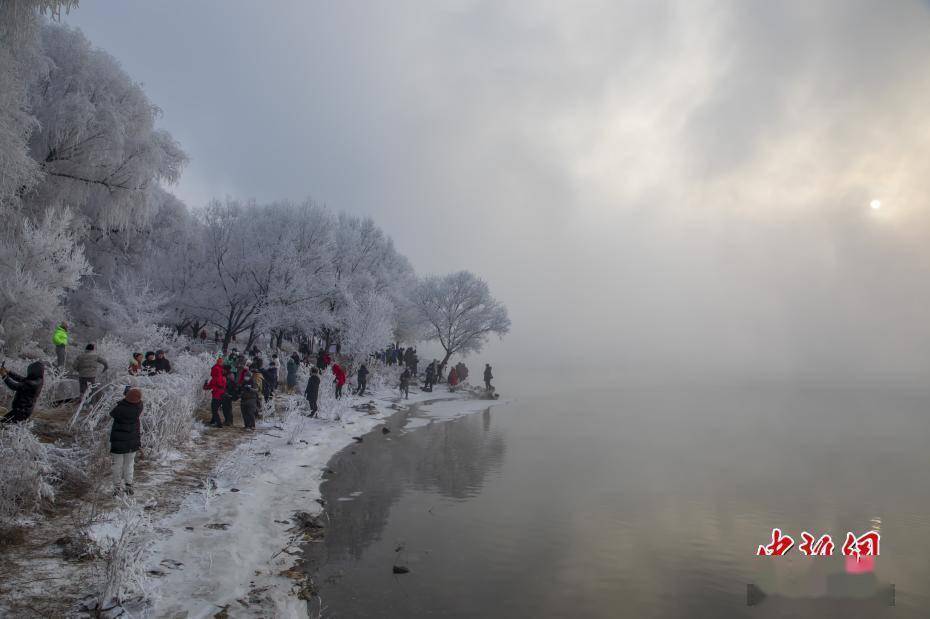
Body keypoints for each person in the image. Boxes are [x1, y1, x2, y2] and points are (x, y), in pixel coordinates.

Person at [110, 387, 143, 496]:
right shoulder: (139, 407)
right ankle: (129, 485)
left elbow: (112, 413)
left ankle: (117, 488)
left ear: (127, 397)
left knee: (117, 465)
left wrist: (124, 399)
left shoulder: (120, 409)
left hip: (118, 442)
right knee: (129, 464)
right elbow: (136, 399)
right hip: (132, 442)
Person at [203, 358, 227, 427]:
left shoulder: (214, 379)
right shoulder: (223, 378)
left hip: (216, 396)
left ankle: (219, 423)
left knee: (214, 410)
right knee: (216, 409)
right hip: (222, 395)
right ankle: (213, 421)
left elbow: (207, 387)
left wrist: (205, 384)